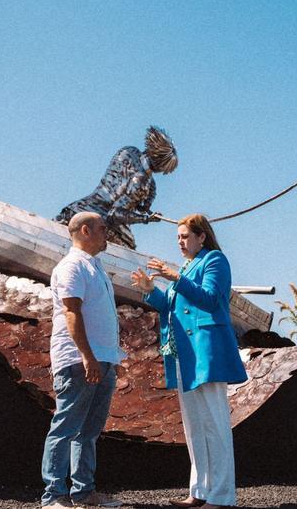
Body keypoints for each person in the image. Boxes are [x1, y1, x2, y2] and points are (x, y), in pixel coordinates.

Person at [130, 214, 248, 509]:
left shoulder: (215, 260)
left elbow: (209, 299)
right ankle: (200, 490)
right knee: (195, 425)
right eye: (178, 237)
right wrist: (149, 288)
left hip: (206, 351)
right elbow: (168, 305)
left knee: (215, 423)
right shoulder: (186, 266)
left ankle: (221, 496)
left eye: (185, 236)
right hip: (185, 352)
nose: (180, 242)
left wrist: (175, 278)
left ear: (202, 237)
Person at [40, 212, 125, 508]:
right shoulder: (72, 266)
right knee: (65, 427)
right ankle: (53, 495)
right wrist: (87, 357)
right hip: (79, 361)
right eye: (103, 229)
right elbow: (71, 312)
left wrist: (110, 358)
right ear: (85, 230)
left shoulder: (95, 267)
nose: (107, 234)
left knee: (88, 431)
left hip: (102, 360)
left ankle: (84, 492)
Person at [56, 126, 178, 249]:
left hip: (77, 209)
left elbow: (135, 203)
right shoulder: (143, 182)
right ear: (161, 166)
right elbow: (114, 214)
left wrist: (145, 208)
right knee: (129, 247)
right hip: (100, 222)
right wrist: (145, 219)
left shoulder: (129, 151)